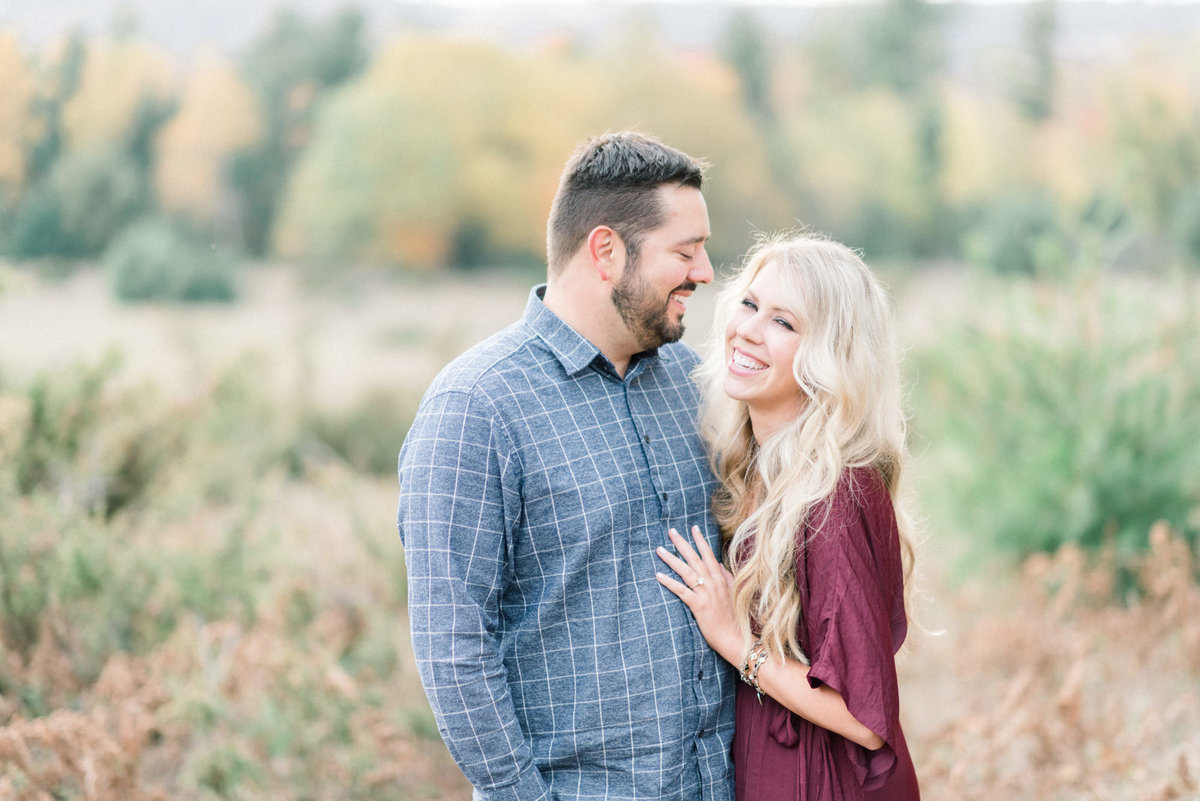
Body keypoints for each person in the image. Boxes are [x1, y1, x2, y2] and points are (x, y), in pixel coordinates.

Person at [397, 131, 736, 801]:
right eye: (686, 250)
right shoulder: (476, 408)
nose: (705, 272)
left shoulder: (696, 385)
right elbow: (455, 650)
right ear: (606, 251)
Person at [655, 234, 921, 801]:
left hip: (820, 782)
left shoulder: (835, 494)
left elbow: (865, 717)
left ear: (830, 357)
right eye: (750, 305)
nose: (748, 330)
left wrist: (735, 642)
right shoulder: (751, 466)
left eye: (784, 323)